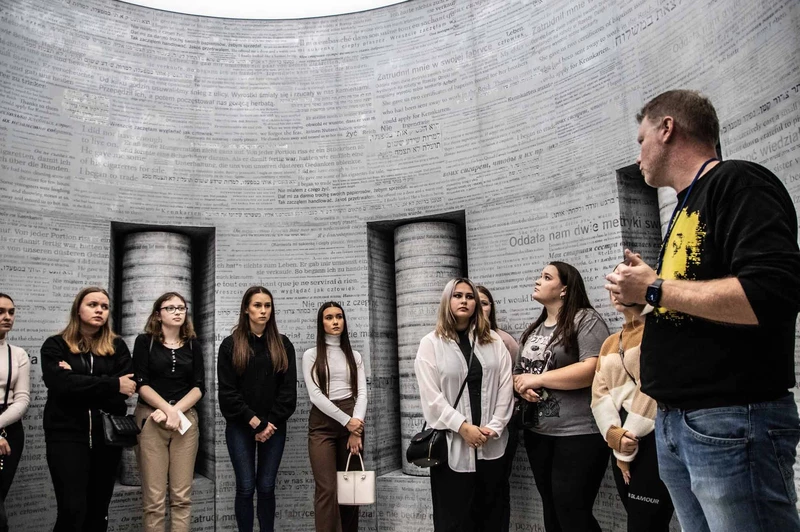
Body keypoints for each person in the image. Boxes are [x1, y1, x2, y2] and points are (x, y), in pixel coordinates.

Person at [605, 89, 800, 532]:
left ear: (667, 128)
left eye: (641, 139)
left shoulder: (739, 182)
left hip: (731, 422)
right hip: (679, 423)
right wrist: (644, 302)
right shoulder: (683, 207)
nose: (638, 152)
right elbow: (693, 305)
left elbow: (771, 293)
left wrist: (654, 288)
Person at [513, 262, 609, 532]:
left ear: (564, 289)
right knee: (552, 510)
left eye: (546, 277)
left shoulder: (585, 319)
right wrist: (521, 386)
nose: (537, 281)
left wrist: (540, 379)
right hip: (538, 432)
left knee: (572, 510)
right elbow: (519, 372)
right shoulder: (534, 330)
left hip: (579, 433)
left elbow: (592, 368)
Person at [414, 278, 514, 532]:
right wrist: (463, 427)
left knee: (493, 516)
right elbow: (432, 397)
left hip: (492, 444)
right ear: (447, 301)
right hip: (452, 448)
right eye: (457, 295)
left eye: (470, 297)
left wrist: (495, 426)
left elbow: (505, 386)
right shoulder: (431, 343)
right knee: (454, 520)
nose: (464, 301)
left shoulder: (493, 340)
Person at [41, 287, 135, 532]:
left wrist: (77, 380)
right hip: (66, 438)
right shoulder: (55, 345)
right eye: (93, 304)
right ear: (78, 309)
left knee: (98, 512)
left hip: (106, 439)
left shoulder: (117, 346)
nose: (99, 310)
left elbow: (123, 394)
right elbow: (61, 385)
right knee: (72, 511)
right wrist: (112, 383)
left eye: (104, 307)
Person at [591, 268, 674, 531]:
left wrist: (629, 436)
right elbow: (599, 394)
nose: (616, 289)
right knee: (636, 519)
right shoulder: (609, 342)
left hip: (654, 438)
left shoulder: (658, 331)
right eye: (613, 283)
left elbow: (652, 387)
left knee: (646, 522)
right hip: (621, 441)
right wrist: (615, 437)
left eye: (623, 282)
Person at [218, 286, 297, 532]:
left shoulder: (283, 344)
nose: (263, 311)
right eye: (257, 305)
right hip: (240, 427)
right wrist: (254, 422)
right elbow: (227, 393)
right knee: (245, 486)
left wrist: (269, 423)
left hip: (274, 428)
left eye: (267, 306)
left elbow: (288, 393)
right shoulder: (230, 345)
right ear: (246, 309)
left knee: (266, 487)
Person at [132, 292, 204, 532]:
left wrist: (174, 412)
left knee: (182, 498)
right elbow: (141, 384)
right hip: (151, 420)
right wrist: (165, 409)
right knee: (154, 501)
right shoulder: (145, 342)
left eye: (181, 308)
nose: (177, 312)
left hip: (185, 421)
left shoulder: (193, 344)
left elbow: (198, 387)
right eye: (170, 308)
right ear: (158, 314)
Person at [303, 301, 367, 532]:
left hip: (352, 423)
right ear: (321, 323)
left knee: (350, 490)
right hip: (322, 425)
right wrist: (348, 422)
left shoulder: (355, 355)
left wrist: (355, 428)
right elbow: (316, 396)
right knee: (327, 489)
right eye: (329, 317)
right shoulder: (311, 355)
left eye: (339, 316)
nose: (335, 321)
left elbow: (362, 394)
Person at [476, 284, 518, 532]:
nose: (479, 307)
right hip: (468, 430)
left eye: (485, 302)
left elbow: (513, 383)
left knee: (496, 487)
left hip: (502, 426)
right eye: (475, 301)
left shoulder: (504, 341)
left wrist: (497, 423)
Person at [0, 294, 30, 532]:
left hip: (10, 429)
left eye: (11, 311)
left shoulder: (17, 354)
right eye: (1, 311)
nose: (7, 317)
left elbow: (22, 399)